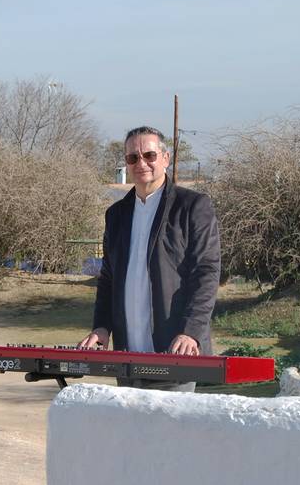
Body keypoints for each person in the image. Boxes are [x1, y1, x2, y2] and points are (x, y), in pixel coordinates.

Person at [78, 126, 221, 392]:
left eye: (149, 155)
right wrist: (101, 327)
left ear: (165, 159)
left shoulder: (193, 206)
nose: (141, 163)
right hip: (127, 355)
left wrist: (191, 331)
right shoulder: (116, 214)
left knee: (171, 434)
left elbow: (206, 273)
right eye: (133, 158)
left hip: (175, 352)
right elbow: (108, 278)